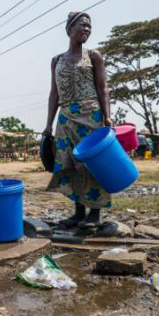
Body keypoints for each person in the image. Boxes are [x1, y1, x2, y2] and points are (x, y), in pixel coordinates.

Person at [43, 12, 112, 228]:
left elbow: (103, 88)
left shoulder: (94, 56)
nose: (87, 29)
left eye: (89, 26)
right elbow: (54, 93)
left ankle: (95, 214)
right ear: (69, 29)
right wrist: (48, 124)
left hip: (90, 115)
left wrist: (107, 116)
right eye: (82, 25)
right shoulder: (56, 61)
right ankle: (79, 212)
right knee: (69, 164)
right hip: (65, 119)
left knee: (93, 165)